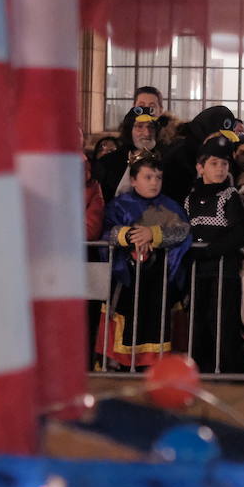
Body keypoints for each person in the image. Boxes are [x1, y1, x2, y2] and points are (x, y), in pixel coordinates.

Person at [101, 156, 192, 368]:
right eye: (148, 177)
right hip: (127, 282)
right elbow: (107, 232)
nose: (154, 182)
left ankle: (156, 367)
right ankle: (120, 366)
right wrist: (132, 235)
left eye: (158, 177)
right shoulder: (119, 206)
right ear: (133, 180)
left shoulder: (171, 207)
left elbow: (184, 231)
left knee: (158, 325)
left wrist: (153, 234)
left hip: (160, 282)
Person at [183, 135, 244, 373]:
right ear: (200, 167)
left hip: (225, 272)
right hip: (198, 274)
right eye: (214, 163)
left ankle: (227, 374)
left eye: (224, 164)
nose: (220, 169)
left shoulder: (230, 196)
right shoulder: (190, 199)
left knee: (224, 324)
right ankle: (198, 371)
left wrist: (209, 251)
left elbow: (240, 232)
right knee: (198, 324)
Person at [160, 105, 240, 205]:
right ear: (205, 132)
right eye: (217, 137)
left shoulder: (209, 155)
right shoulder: (181, 156)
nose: (220, 144)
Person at [94, 102, 169, 200]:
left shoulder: (167, 161)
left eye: (151, 127)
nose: (147, 133)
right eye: (140, 126)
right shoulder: (108, 162)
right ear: (129, 131)